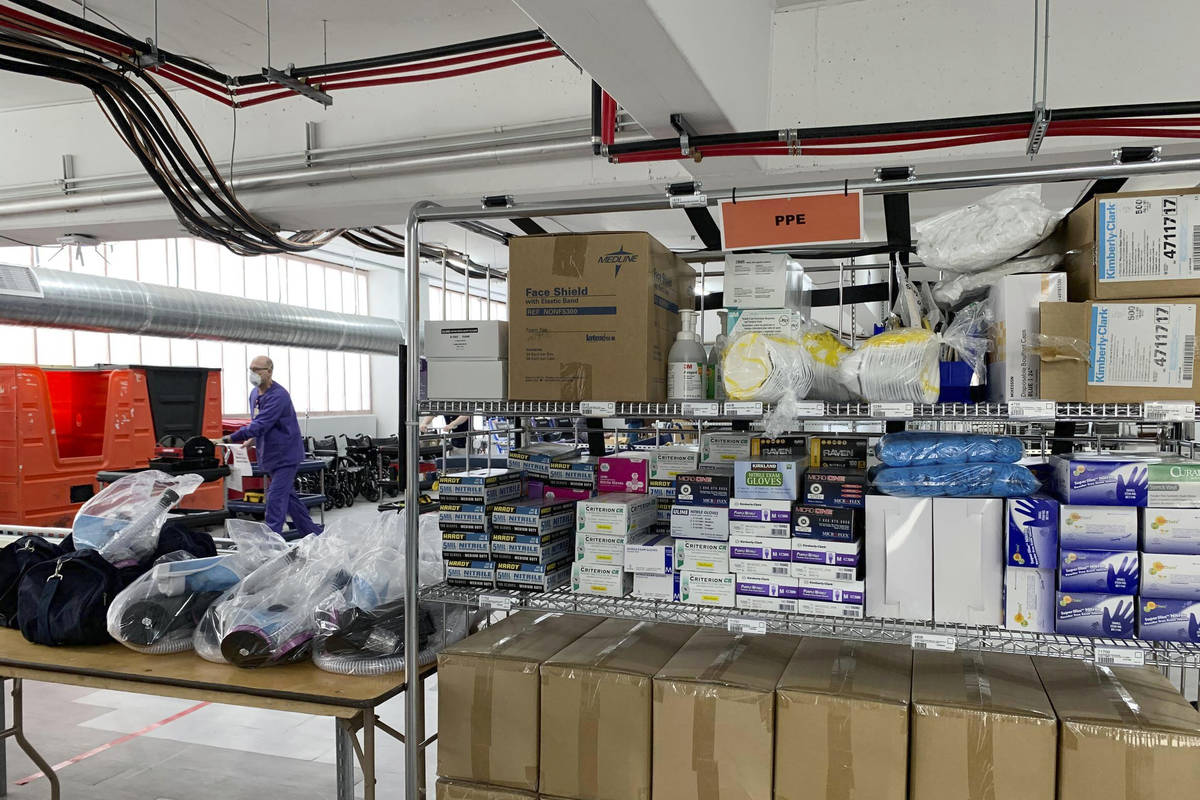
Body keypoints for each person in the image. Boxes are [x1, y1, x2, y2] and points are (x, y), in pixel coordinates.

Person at [216, 355, 323, 536]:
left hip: (286, 456)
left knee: (275, 497)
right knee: (289, 500)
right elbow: (260, 422)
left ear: (269, 371)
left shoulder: (279, 396)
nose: (253, 373)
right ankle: (315, 535)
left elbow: (261, 424)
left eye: (257, 369)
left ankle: (270, 543)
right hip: (270, 454)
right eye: (251, 369)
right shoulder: (254, 394)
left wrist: (229, 438)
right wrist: (253, 439)